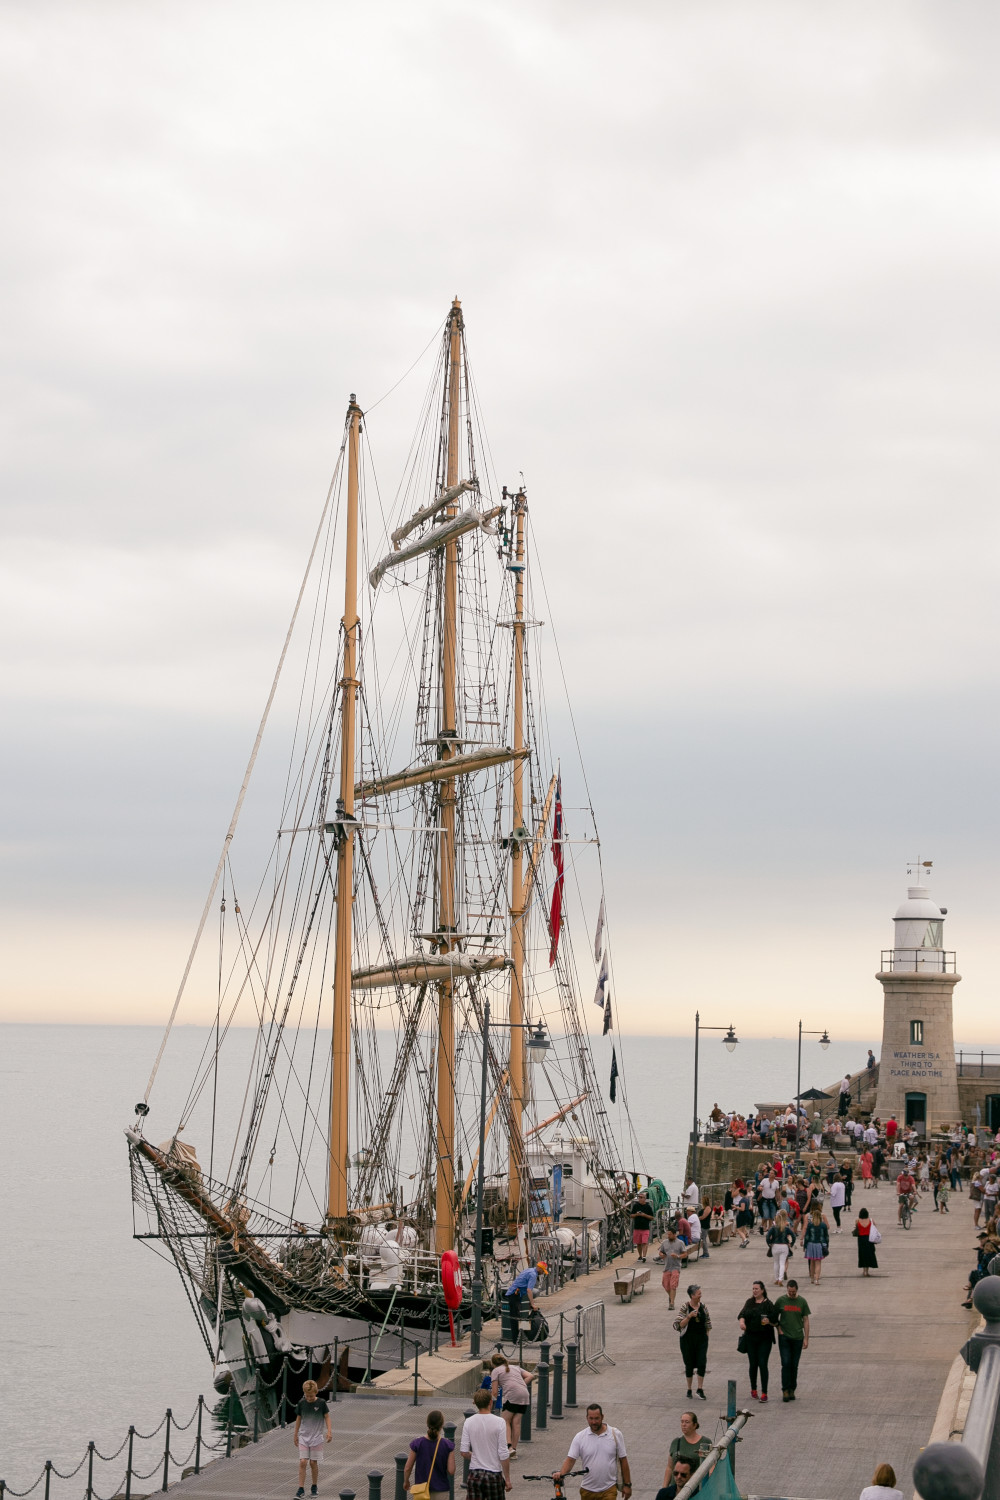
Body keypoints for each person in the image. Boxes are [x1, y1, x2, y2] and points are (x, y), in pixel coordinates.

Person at [553, 1403, 630, 1500]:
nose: (594, 1422)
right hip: (587, 1490)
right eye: (591, 1418)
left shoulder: (615, 1434)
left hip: (609, 1489)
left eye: (597, 1418)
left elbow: (623, 1460)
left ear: (602, 1417)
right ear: (587, 1418)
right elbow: (571, 1459)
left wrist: (627, 1485)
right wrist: (561, 1474)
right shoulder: (580, 1437)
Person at [460, 1388, 511, 1500]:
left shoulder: (469, 1422)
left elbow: (463, 1452)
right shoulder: (500, 1422)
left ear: (476, 1404)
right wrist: (507, 1478)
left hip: (475, 1474)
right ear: (490, 1402)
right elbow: (503, 1453)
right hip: (494, 1474)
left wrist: (474, 1456)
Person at [737, 1279, 777, 1401]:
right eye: (753, 1289)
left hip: (764, 1338)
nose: (754, 1291)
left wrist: (769, 1321)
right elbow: (742, 1315)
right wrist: (742, 1322)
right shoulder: (749, 1302)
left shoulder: (768, 1304)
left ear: (762, 1290)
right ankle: (753, 1389)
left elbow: (775, 1321)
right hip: (751, 1337)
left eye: (756, 1289)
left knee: (763, 1364)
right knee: (753, 1364)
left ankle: (764, 1392)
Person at [293, 1379, 331, 1499]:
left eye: (311, 1396)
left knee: (313, 1462)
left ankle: (314, 1486)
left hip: (316, 1438)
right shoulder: (301, 1403)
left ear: (316, 1393)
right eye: (307, 1395)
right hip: (304, 1436)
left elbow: (327, 1417)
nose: (309, 1398)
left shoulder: (321, 1403)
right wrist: (295, 1434)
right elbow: (298, 1419)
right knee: (303, 1461)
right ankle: (300, 1488)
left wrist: (329, 1431)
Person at [490, 1353, 533, 1458]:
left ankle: (508, 1447)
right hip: (524, 1395)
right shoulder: (515, 1367)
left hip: (512, 1396)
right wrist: (521, 1384)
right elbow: (531, 1376)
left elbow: (494, 1393)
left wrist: (487, 1402)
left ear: (493, 1364)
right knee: (516, 1423)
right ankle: (514, 1450)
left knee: (505, 1421)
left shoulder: (495, 1371)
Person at [774, 1278, 810, 1402]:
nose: (791, 1294)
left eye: (793, 1292)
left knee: (794, 1365)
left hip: (798, 1337)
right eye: (790, 1292)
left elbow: (805, 1319)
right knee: (786, 1363)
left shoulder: (802, 1302)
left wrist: (806, 1338)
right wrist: (778, 1328)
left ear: (797, 1290)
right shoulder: (781, 1301)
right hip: (784, 1337)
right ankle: (785, 1389)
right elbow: (774, 1316)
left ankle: (792, 1389)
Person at [404, 1411, 455, 1498]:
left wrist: (406, 1481)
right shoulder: (448, 1445)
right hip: (441, 1490)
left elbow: (408, 1468)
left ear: (427, 1423)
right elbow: (451, 1470)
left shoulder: (417, 1443)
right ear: (442, 1425)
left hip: (421, 1490)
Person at [673, 1284, 711, 1400]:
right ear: (692, 1295)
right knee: (689, 1364)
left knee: (701, 1362)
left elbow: (708, 1323)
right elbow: (678, 1325)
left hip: (701, 1339)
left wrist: (706, 1336)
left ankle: (700, 1388)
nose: (701, 1295)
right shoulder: (685, 1307)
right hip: (687, 1340)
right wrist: (689, 1316)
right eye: (699, 1293)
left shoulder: (703, 1307)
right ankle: (689, 1389)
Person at [663, 1411, 712, 1484]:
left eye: (687, 1422)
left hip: (695, 1488)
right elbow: (670, 1467)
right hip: (676, 1488)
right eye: (682, 1422)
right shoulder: (676, 1442)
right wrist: (664, 1488)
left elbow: (712, 1466)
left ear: (694, 1425)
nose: (683, 1425)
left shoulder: (705, 1442)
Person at [657, 1226, 690, 1309]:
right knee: (665, 1285)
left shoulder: (680, 1243)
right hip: (667, 1266)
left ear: (675, 1235)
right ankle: (671, 1296)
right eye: (668, 1234)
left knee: (673, 1285)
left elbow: (685, 1254)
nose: (668, 1236)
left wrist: (678, 1256)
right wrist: (661, 1254)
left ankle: (672, 1303)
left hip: (676, 1267)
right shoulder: (664, 1243)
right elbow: (661, 1252)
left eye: (670, 1234)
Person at [504, 1258, 539, 1328]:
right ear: (539, 1269)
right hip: (515, 1294)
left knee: (516, 1315)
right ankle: (516, 1337)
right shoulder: (533, 1275)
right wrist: (532, 1304)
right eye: (543, 1271)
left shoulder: (529, 1270)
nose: (543, 1273)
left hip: (514, 1293)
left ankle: (518, 1335)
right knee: (515, 1318)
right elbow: (529, 1290)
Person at [767, 1210, 796, 1286]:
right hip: (784, 1246)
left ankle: (776, 1279)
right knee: (782, 1263)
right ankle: (781, 1279)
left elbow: (767, 1236)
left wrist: (769, 1244)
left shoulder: (773, 1228)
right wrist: (791, 1244)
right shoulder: (786, 1228)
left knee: (776, 1263)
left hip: (775, 1246)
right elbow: (793, 1236)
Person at [803, 1207, 830, 1284]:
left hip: (811, 1244)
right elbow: (826, 1237)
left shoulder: (810, 1224)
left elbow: (807, 1236)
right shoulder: (823, 1225)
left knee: (812, 1262)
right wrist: (827, 1246)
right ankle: (817, 1279)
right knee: (818, 1263)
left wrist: (805, 1246)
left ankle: (812, 1278)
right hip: (819, 1245)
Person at [631, 1190, 655, 1261]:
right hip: (637, 1227)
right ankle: (640, 1255)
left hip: (645, 1227)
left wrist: (644, 1215)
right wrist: (637, 1214)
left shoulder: (648, 1207)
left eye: (642, 1197)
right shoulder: (635, 1206)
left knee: (644, 1242)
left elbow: (652, 1217)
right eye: (639, 1197)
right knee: (638, 1243)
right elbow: (631, 1215)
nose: (640, 1199)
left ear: (645, 1199)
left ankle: (644, 1256)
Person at [855, 1206, 878, 1276]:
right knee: (869, 1254)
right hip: (869, 1239)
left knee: (862, 1254)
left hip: (861, 1239)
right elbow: (875, 1227)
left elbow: (856, 1228)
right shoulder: (871, 1220)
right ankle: (866, 1271)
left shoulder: (857, 1220)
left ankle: (864, 1270)